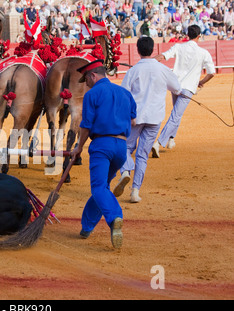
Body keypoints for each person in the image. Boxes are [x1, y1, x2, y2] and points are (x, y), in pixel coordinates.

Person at [70, 59, 137, 249]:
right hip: (121, 148)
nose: (87, 84)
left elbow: (86, 125)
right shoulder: (125, 93)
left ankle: (114, 217)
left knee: (98, 188)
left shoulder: (93, 94)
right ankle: (87, 226)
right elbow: (133, 121)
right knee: (104, 187)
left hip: (101, 145)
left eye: (87, 80)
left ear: (93, 75)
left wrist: (79, 147)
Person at [113, 37, 181, 203]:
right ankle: (135, 191)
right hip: (154, 117)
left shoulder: (133, 71)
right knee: (143, 154)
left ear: (137, 50)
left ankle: (126, 171)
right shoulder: (162, 69)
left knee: (126, 148)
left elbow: (123, 95)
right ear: (153, 50)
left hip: (135, 117)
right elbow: (177, 88)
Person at [151, 25, 215, 157]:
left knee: (176, 113)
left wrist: (147, 62)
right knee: (176, 115)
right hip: (188, 88)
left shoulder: (179, 47)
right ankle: (158, 142)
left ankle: (171, 139)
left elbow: (163, 56)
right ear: (199, 36)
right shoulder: (204, 52)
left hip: (175, 85)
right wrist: (201, 82)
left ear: (187, 35)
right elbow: (211, 73)